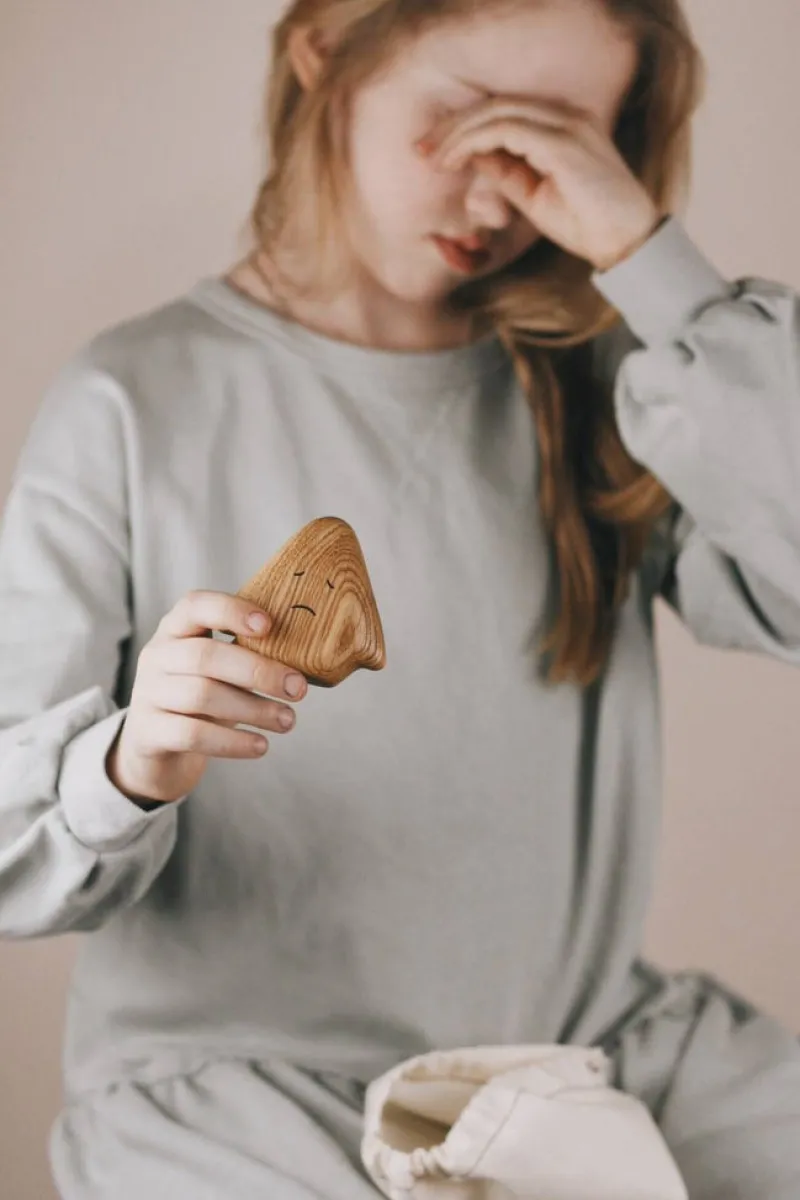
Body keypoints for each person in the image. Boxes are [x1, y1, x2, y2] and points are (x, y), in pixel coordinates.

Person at [1, 0, 798, 1196]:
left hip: (578, 1056)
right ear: (324, 53)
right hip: (243, 1102)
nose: (495, 193)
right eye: (467, 118)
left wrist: (652, 263)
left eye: (559, 143)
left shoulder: (618, 387)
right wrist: (128, 763)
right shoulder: (130, 397)